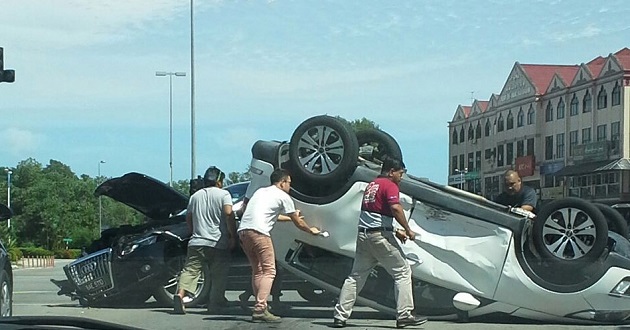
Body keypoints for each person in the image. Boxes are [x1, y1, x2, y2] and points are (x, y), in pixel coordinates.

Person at [332, 156, 427, 329]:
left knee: (356, 277)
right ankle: (404, 315)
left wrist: (394, 230)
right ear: (391, 172)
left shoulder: (372, 185)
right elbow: (396, 208)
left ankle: (340, 316)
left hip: (364, 235)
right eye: (400, 173)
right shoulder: (390, 185)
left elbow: (375, 214)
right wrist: (407, 229)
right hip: (379, 237)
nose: (401, 177)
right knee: (402, 271)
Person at [238, 168, 321, 323]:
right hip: (259, 233)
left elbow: (273, 216)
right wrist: (311, 231)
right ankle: (260, 309)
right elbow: (299, 223)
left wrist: (291, 217)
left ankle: (259, 305)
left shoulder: (261, 192)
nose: (290, 186)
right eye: (289, 183)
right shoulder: (283, 196)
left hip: (243, 232)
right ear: (282, 182)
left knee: (258, 271)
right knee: (270, 271)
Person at [173, 166, 236, 315]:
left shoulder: (195, 196)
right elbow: (228, 214)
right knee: (218, 273)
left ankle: (180, 295)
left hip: (197, 241)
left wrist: (192, 231)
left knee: (190, 270)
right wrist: (233, 235)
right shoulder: (224, 194)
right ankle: (215, 303)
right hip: (217, 242)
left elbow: (188, 217)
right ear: (219, 181)